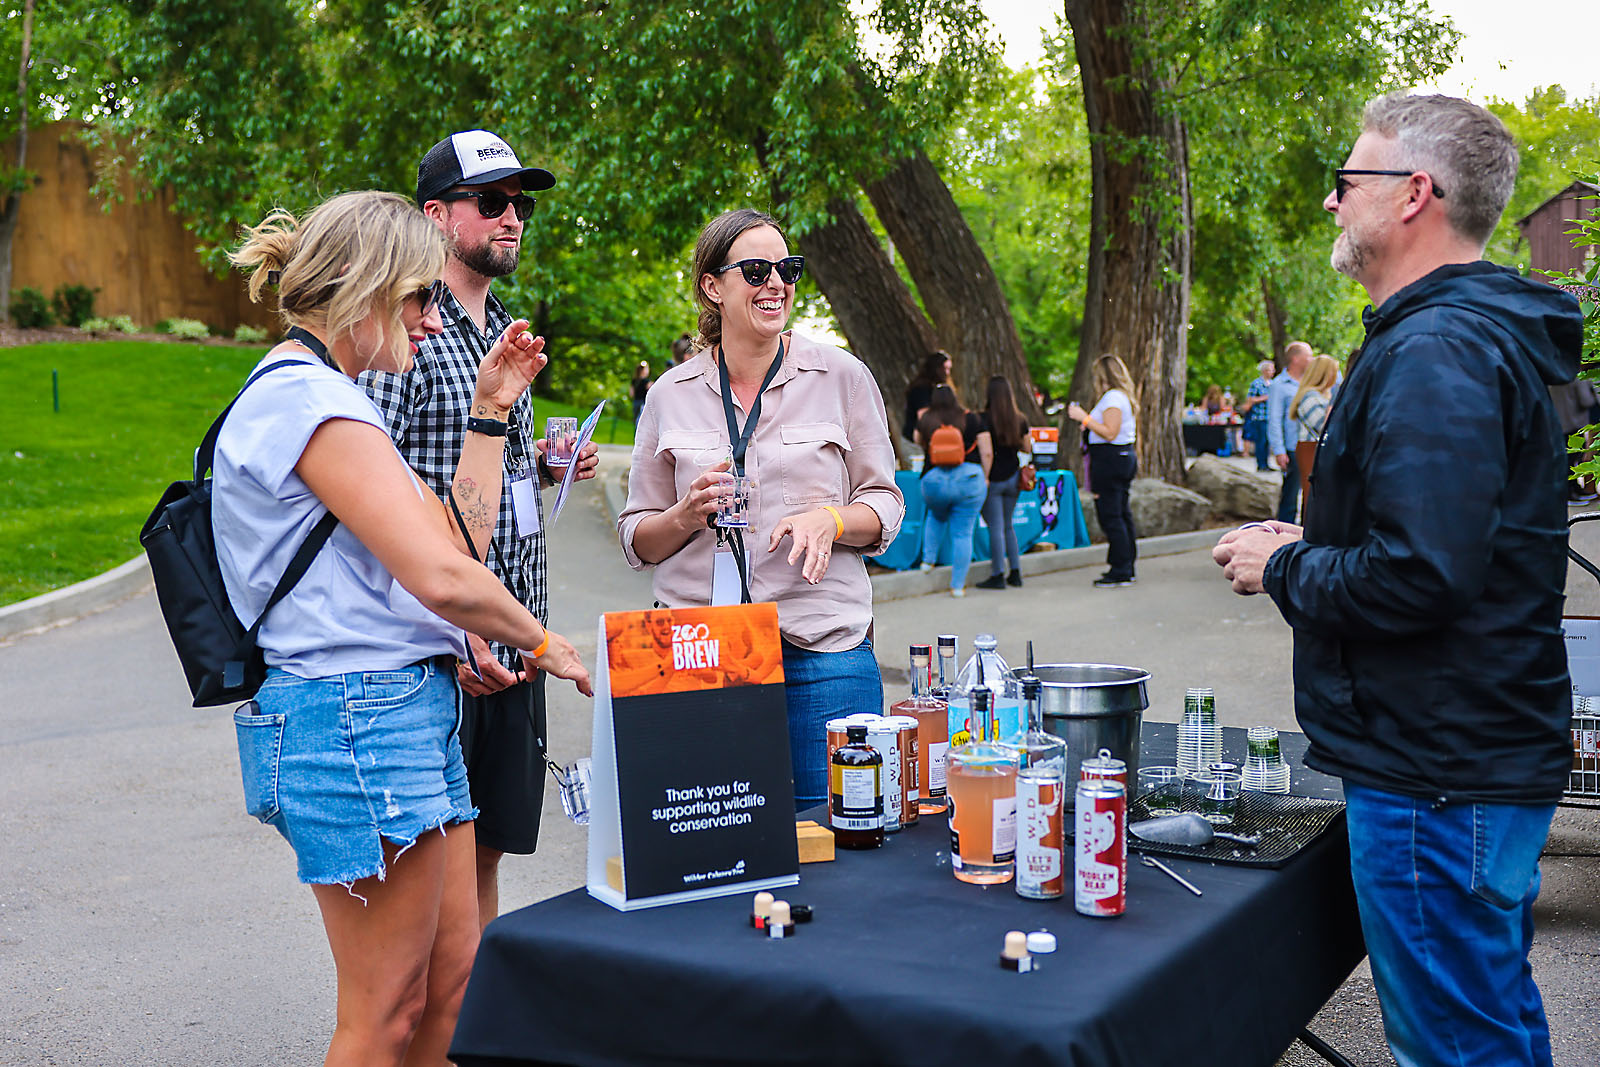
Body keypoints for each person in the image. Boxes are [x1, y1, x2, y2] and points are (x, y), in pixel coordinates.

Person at [1212, 93, 1582, 1067]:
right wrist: (1318, 531)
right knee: (1492, 1019)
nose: (1333, 204)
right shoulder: (1460, 333)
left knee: (1458, 1045)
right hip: (1469, 758)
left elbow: (1423, 575)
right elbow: (1461, 537)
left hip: (1437, 775)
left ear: (1414, 192)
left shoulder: (1437, 347)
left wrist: (1285, 560)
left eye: (1346, 182)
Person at [220, 191, 592, 1067]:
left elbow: (458, 538)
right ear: (366, 285)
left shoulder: (342, 400)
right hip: (351, 717)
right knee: (385, 1011)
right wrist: (545, 642)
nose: (432, 318)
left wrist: (493, 405)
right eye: (420, 295)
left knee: (452, 985)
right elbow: (442, 576)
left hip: (399, 712)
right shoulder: (309, 403)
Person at [360, 130, 600, 931]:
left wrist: (547, 466)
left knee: (489, 851)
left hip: (514, 634)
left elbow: (480, 470)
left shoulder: (503, 325)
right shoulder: (404, 328)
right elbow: (371, 488)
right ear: (436, 216)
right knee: (435, 866)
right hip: (447, 647)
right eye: (492, 202)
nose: (514, 219)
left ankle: (463, 1029)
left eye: (521, 204)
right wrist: (451, 628)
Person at [618, 208, 903, 812]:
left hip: (819, 650)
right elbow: (637, 538)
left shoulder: (843, 376)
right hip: (698, 651)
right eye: (755, 270)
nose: (776, 283)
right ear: (713, 286)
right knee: (705, 843)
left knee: (841, 835)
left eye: (787, 268)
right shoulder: (669, 393)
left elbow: (885, 505)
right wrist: (684, 516)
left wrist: (829, 519)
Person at [914, 383, 992, 596]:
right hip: (968, 478)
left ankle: (928, 561)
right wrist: (985, 477)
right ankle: (957, 586)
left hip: (934, 479)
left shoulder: (926, 419)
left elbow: (917, 440)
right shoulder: (972, 418)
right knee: (963, 533)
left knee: (936, 516)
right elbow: (986, 452)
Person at [1068, 355, 1139, 587]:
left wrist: (1084, 418)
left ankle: (1121, 568)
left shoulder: (1113, 398)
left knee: (1111, 515)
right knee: (1121, 513)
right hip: (1118, 458)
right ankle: (1125, 564)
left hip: (1110, 460)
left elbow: (1110, 431)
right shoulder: (1119, 397)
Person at [976, 375, 1031, 590]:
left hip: (994, 479)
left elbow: (987, 453)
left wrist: (986, 477)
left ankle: (998, 574)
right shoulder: (1020, 419)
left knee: (996, 528)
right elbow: (1027, 448)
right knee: (1009, 526)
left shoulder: (983, 419)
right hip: (1013, 477)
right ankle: (1015, 572)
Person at [1266, 341, 1313, 521]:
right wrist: (1279, 450)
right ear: (1296, 358)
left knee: (1309, 494)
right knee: (1290, 495)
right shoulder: (1279, 385)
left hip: (1309, 445)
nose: (1311, 359)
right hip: (1292, 447)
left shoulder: (1309, 382)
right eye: (1308, 355)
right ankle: (1284, 533)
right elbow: (1275, 418)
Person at [1289, 354, 1339, 513]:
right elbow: (1324, 426)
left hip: (1313, 448)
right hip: (1310, 449)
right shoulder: (1310, 397)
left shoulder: (1319, 396)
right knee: (1313, 495)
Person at [903, 349, 953, 443]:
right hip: (915, 441)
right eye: (944, 368)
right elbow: (924, 416)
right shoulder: (922, 389)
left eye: (949, 369)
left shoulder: (937, 388)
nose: (947, 373)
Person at [1239, 360, 1275, 470]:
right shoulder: (1257, 383)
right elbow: (1250, 399)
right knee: (1261, 441)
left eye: (1273, 370)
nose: (1272, 372)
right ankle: (1261, 464)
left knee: (1267, 442)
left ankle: (1266, 463)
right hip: (1259, 417)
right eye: (1269, 369)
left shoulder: (1273, 384)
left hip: (1270, 417)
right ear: (1264, 371)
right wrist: (1263, 398)